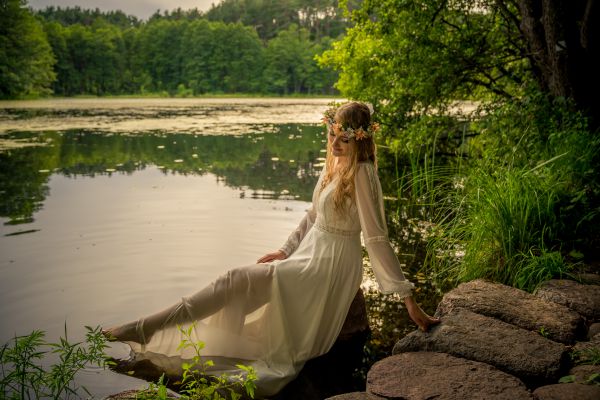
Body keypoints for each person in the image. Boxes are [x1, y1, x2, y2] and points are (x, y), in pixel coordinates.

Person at [103, 101, 439, 397]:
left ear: (361, 139)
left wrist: (407, 298)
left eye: (344, 138)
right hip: (307, 255)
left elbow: (376, 238)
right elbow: (313, 215)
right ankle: (156, 329)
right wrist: (285, 250)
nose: (335, 143)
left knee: (235, 280)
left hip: (329, 267)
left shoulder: (363, 173)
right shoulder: (335, 164)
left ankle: (149, 328)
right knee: (233, 285)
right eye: (333, 134)